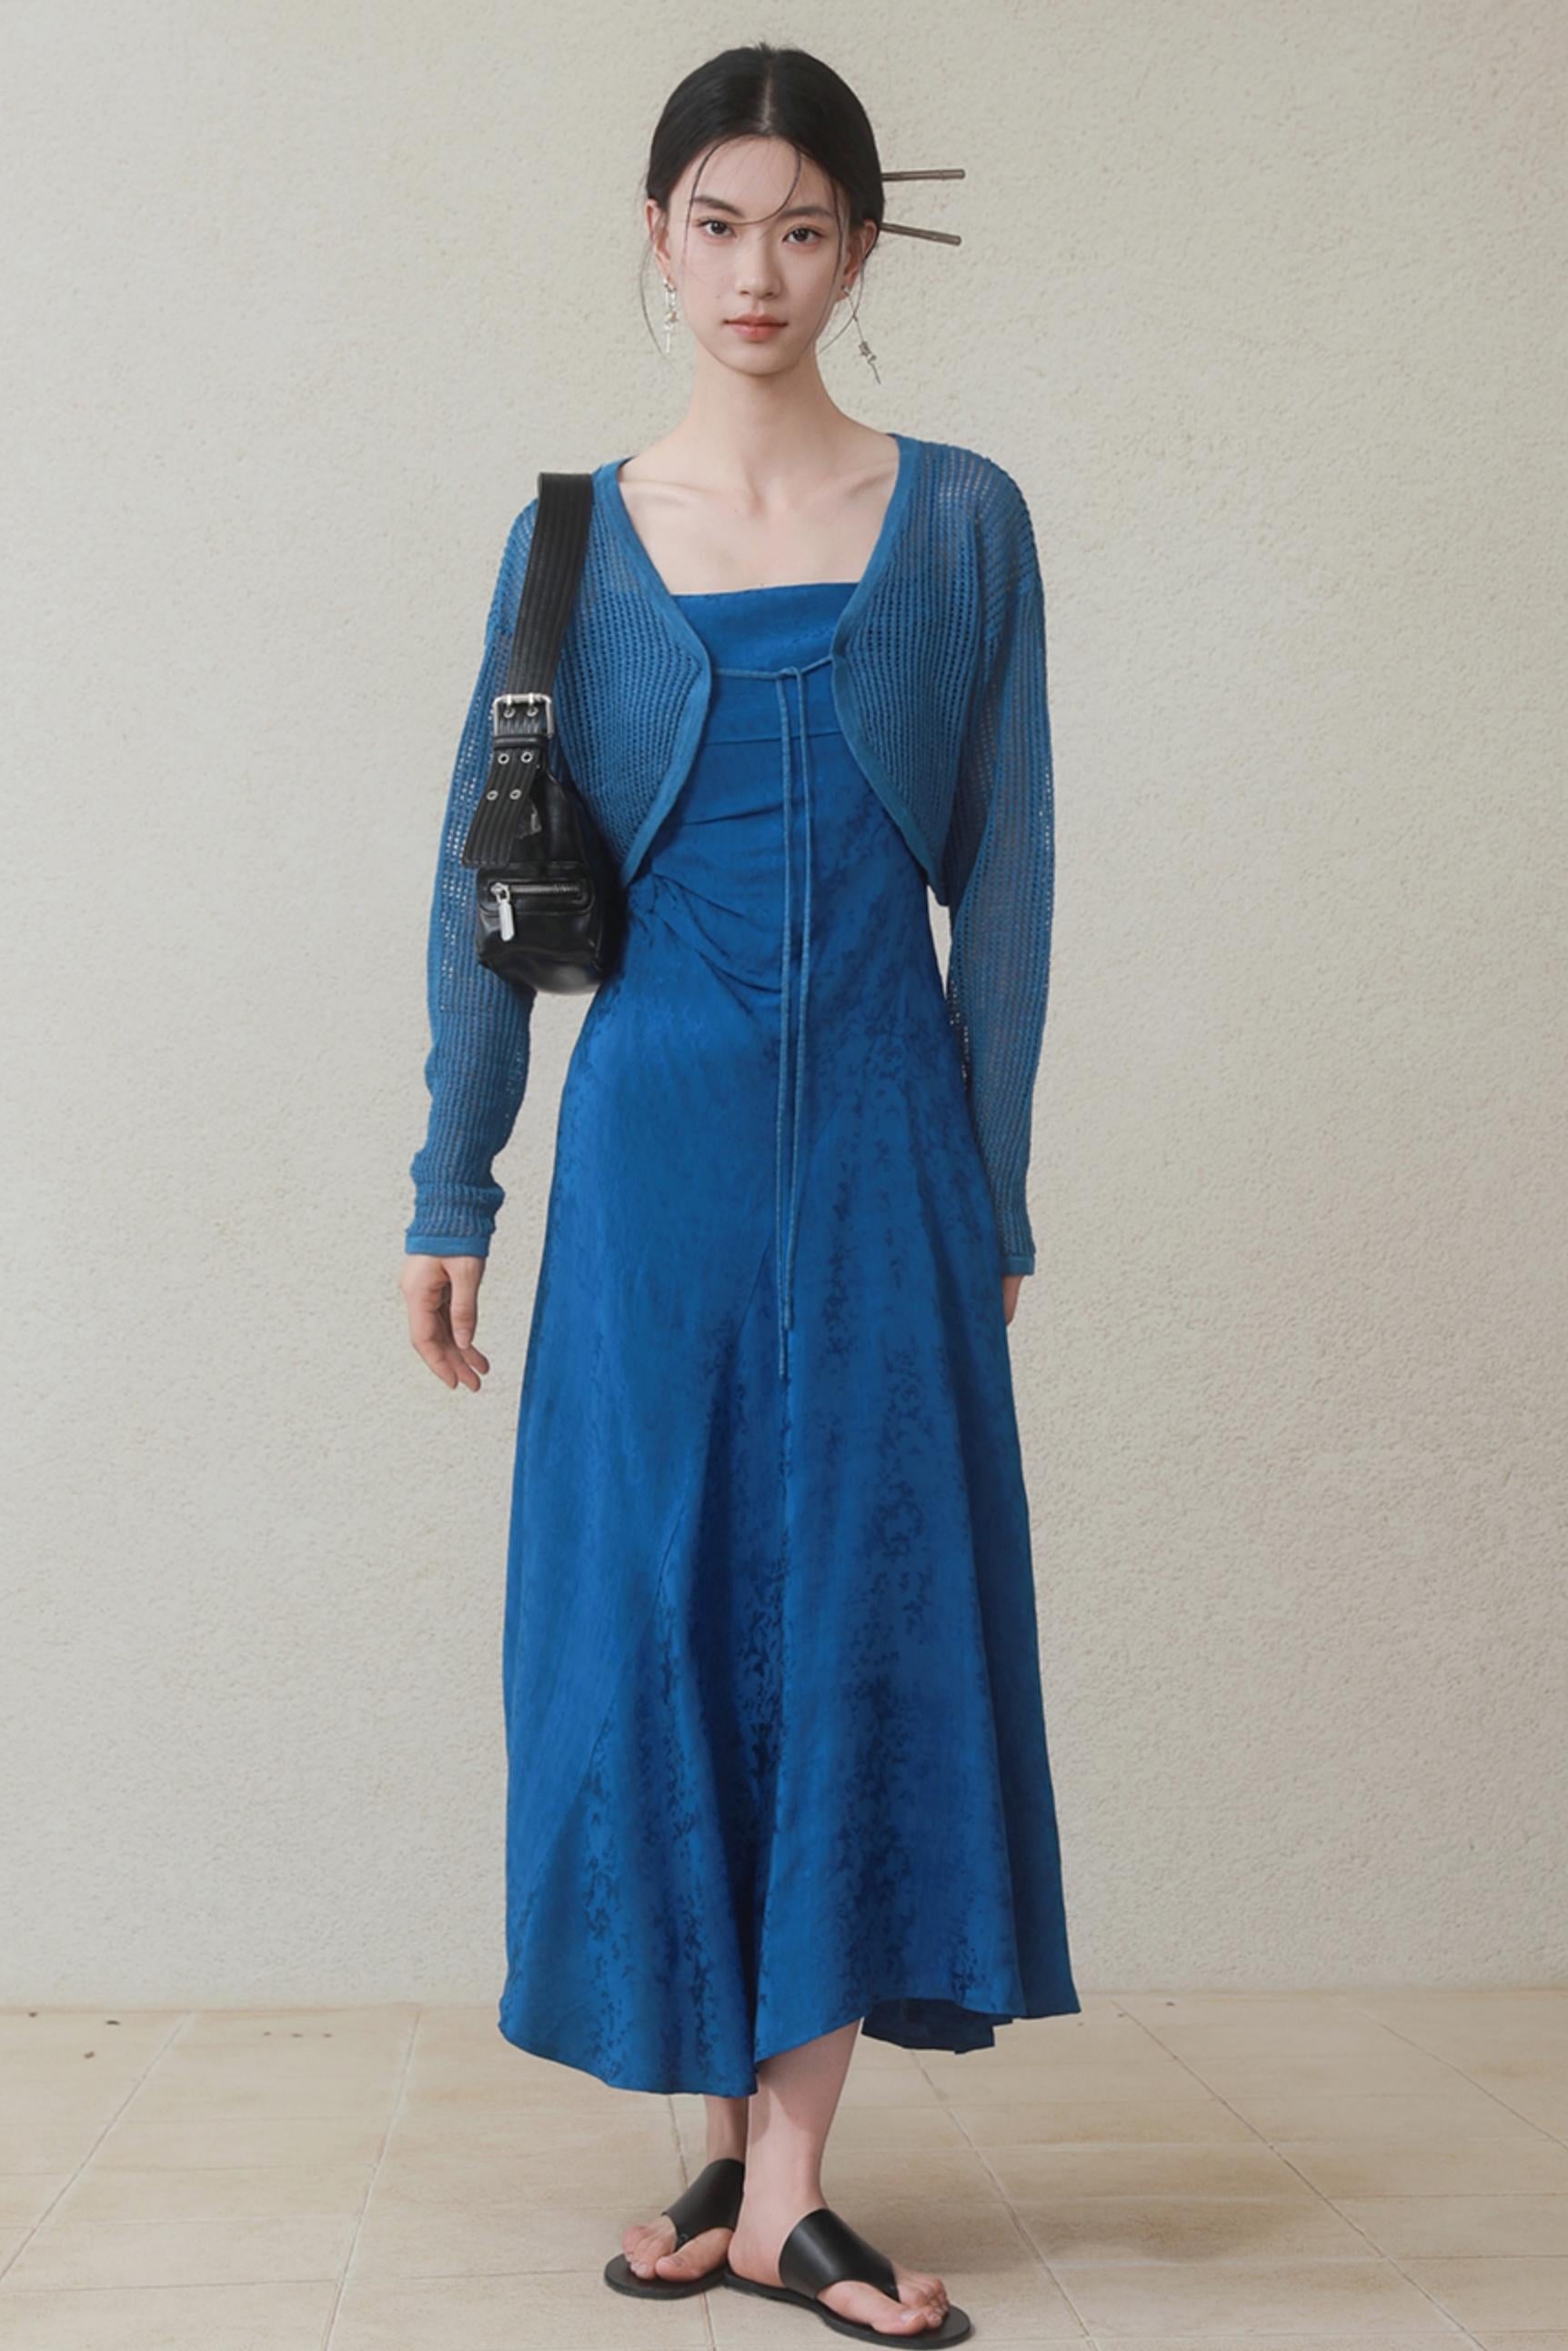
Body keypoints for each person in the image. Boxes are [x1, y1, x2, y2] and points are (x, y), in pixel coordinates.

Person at [399, 43, 1080, 2347]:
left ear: (862, 246)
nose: (756, 270)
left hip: (885, 1147)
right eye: (716, 223)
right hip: (655, 1154)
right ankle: (722, 2145)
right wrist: (453, 1188)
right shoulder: (570, 542)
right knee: (659, 1609)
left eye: (801, 226)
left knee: (859, 1611)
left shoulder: (962, 522)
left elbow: (1012, 881)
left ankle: (786, 2187)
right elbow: (480, 890)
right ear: (656, 236)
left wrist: (989, 1191)